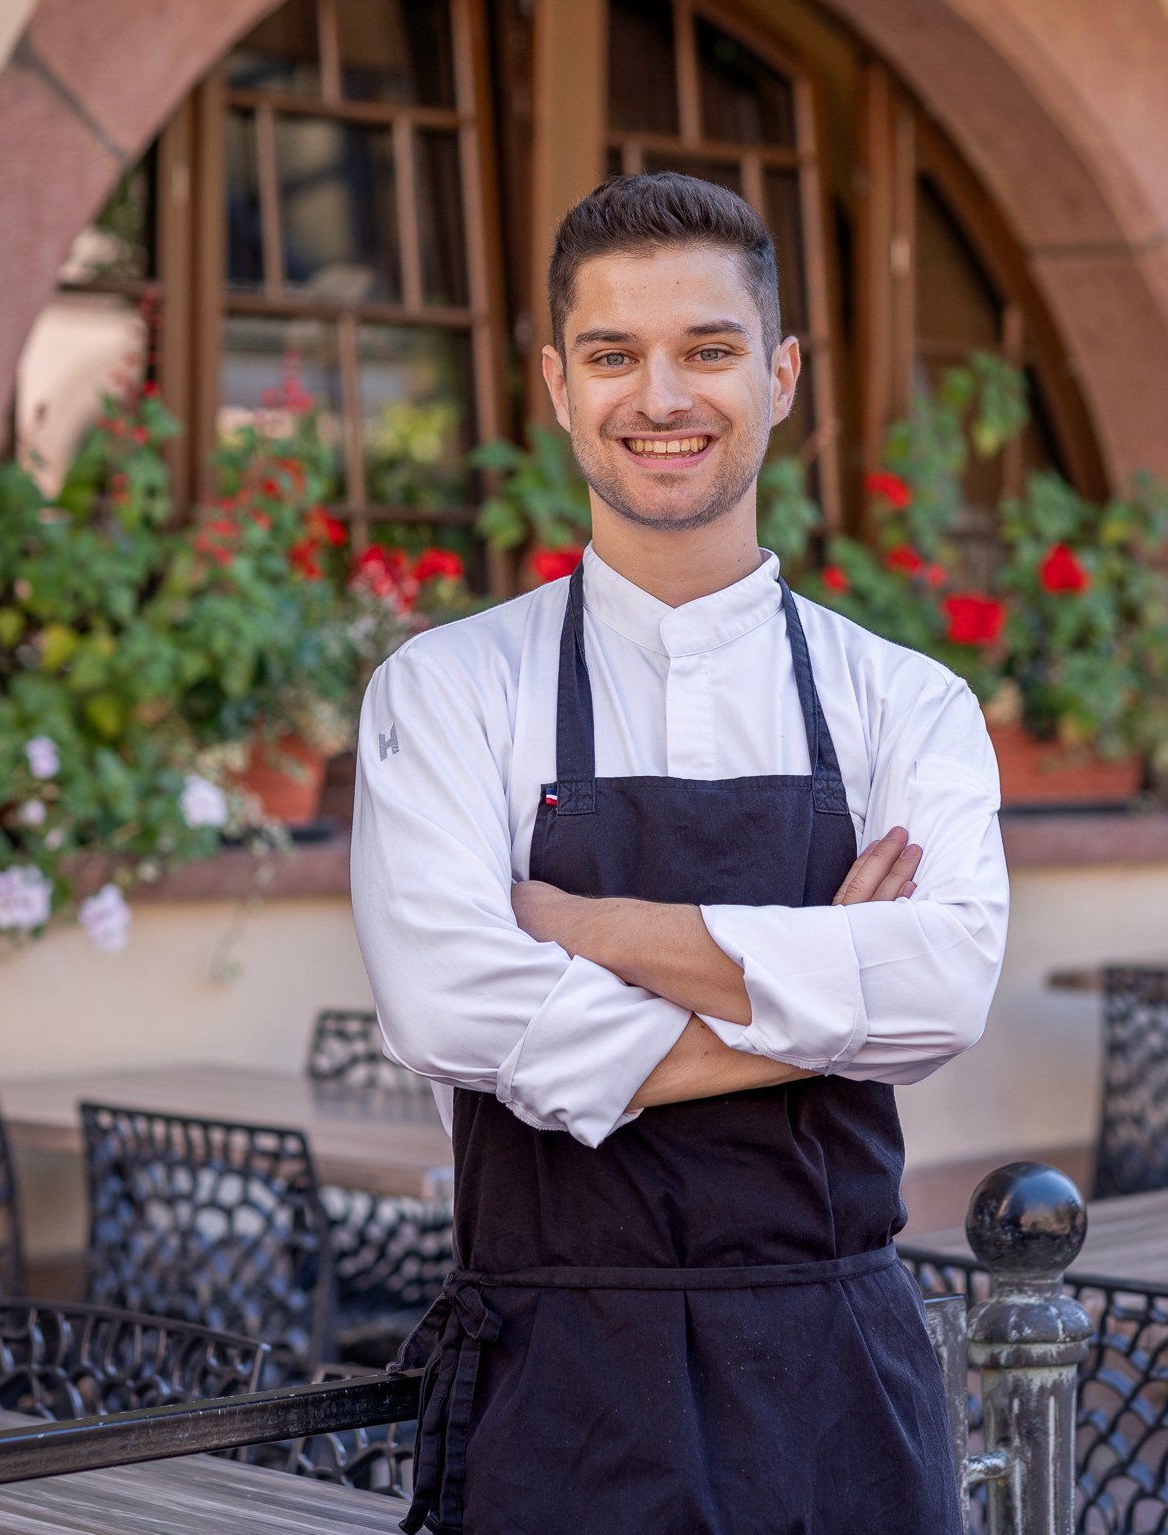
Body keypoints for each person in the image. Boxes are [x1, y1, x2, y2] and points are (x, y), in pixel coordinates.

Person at [352, 172, 1007, 1535]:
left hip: (839, 1379)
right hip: (562, 1384)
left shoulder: (903, 699)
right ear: (554, 384)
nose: (660, 395)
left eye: (706, 350)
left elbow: (944, 986)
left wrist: (589, 929)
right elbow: (449, 1004)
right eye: (613, 355)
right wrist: (834, 991)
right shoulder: (448, 689)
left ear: (778, 377)